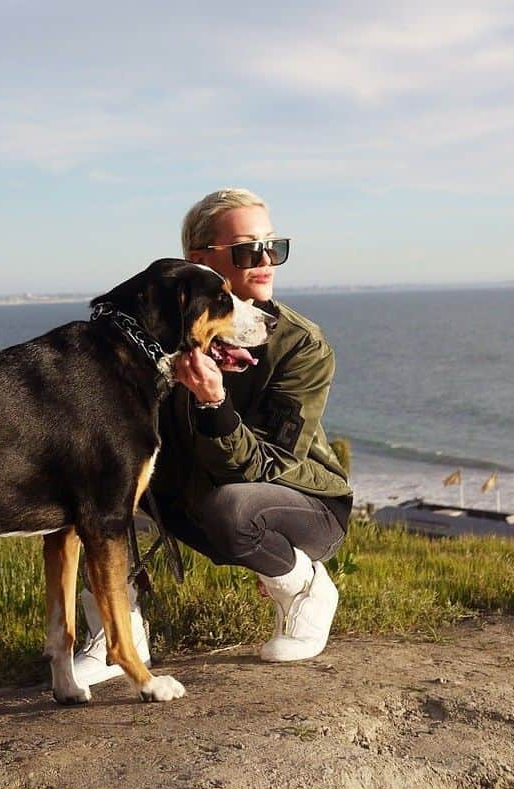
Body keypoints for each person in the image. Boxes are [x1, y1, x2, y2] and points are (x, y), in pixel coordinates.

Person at [74, 188, 353, 685]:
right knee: (90, 487)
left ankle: (306, 588)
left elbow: (271, 465)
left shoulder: (300, 345)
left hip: (299, 501)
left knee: (233, 508)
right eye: (249, 249)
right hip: (194, 494)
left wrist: (213, 403)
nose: (266, 261)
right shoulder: (163, 336)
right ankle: (118, 629)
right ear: (199, 260)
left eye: (275, 247)